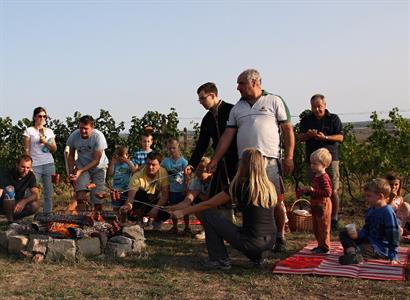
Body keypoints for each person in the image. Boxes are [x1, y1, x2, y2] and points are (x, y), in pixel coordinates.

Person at [207, 69, 295, 252]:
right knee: (248, 200)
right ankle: (252, 236)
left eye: (241, 83)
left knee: (275, 200)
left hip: (269, 160)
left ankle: (279, 237)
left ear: (254, 83)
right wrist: (215, 159)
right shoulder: (237, 108)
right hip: (245, 163)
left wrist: (289, 157)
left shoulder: (274, 101)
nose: (237, 87)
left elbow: (287, 130)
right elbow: (227, 135)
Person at [173, 148, 277, 269]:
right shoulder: (269, 187)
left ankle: (219, 259)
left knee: (209, 214)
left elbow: (209, 204)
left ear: (243, 164)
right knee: (251, 231)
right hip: (270, 241)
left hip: (252, 242)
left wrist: (183, 212)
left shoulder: (240, 185)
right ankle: (258, 255)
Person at [185, 82, 238, 222]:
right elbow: (202, 144)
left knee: (241, 193)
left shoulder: (232, 110)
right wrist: (192, 164)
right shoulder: (207, 119)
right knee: (218, 196)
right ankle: (224, 228)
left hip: (237, 160)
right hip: (219, 161)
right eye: (199, 99)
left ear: (213, 95)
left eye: (203, 98)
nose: (200, 102)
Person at [299, 94, 343, 230]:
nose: (317, 109)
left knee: (333, 189)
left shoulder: (333, 118)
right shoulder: (306, 120)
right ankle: (318, 216)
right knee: (314, 189)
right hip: (312, 160)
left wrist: (325, 137)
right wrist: (309, 135)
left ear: (325, 105)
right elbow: (300, 137)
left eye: (319, 106)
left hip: (330, 159)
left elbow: (340, 137)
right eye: (314, 107)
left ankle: (334, 218)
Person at [338, 178, 400, 265]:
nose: (366, 198)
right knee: (344, 233)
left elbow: (393, 235)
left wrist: (393, 255)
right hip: (368, 240)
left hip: (379, 248)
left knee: (363, 248)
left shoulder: (387, 212)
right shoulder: (371, 209)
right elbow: (367, 228)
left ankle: (355, 254)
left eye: (369, 196)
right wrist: (357, 234)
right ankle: (352, 253)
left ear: (380, 196)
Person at [66, 115, 109, 210]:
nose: (83, 131)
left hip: (99, 167)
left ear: (92, 127)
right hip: (82, 165)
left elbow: (96, 161)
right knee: (80, 195)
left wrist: (80, 171)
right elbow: (71, 156)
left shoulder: (98, 137)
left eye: (86, 128)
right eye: (81, 128)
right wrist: (71, 172)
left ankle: (97, 220)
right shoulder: (74, 136)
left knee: (97, 197)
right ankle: (82, 218)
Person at [120, 152, 169, 228]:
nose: (150, 167)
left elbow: (165, 195)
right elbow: (131, 198)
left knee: (167, 206)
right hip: (142, 201)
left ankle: (157, 220)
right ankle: (139, 220)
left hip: (155, 200)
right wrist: (127, 206)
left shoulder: (163, 172)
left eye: (153, 165)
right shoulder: (137, 175)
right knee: (140, 194)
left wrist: (156, 208)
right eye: (148, 164)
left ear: (159, 165)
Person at [23, 107, 57, 213]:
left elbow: (54, 149)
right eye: (39, 116)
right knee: (30, 192)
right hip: (35, 165)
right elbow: (26, 150)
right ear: (34, 117)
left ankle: (48, 215)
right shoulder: (29, 131)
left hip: (49, 164)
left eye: (44, 116)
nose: (42, 118)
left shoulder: (50, 132)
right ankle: (26, 212)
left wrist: (45, 142)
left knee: (48, 192)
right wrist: (29, 167)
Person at [300, 148, 332, 254]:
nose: (312, 165)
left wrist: (313, 191)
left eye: (315, 163)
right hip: (316, 204)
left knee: (323, 226)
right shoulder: (316, 176)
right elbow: (316, 191)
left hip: (323, 204)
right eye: (311, 163)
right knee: (316, 226)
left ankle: (325, 247)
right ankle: (320, 245)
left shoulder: (324, 177)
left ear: (324, 165)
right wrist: (308, 191)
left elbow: (328, 193)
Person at [161, 138, 189, 234]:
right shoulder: (165, 162)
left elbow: (186, 176)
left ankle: (187, 227)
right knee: (173, 208)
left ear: (178, 147)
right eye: (169, 148)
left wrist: (185, 187)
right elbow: (160, 171)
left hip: (181, 190)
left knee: (184, 209)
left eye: (174, 148)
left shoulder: (183, 162)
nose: (172, 150)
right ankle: (175, 227)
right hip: (171, 190)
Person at [0, 155, 40, 221]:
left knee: (35, 205)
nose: (25, 170)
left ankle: (15, 218)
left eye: (28, 168)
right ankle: (10, 221)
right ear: (17, 165)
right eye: (23, 167)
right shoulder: (7, 173)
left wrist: (24, 201)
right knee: (10, 189)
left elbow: (36, 194)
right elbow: (0, 191)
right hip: (3, 204)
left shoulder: (30, 175)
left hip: (18, 203)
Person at [107, 145, 137, 210]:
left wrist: (128, 162)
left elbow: (134, 171)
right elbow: (110, 173)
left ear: (127, 156)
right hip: (116, 190)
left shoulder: (129, 163)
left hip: (126, 189)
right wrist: (112, 163)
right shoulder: (115, 164)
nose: (121, 158)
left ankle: (124, 218)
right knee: (116, 206)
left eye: (123, 156)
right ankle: (116, 218)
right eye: (119, 156)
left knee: (125, 206)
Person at [385, 172, 410, 236]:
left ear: (399, 185)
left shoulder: (399, 198)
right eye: (391, 184)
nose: (394, 187)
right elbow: (384, 212)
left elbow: (402, 213)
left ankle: (402, 229)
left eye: (396, 184)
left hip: (399, 223)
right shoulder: (382, 197)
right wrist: (390, 199)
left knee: (406, 205)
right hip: (386, 222)